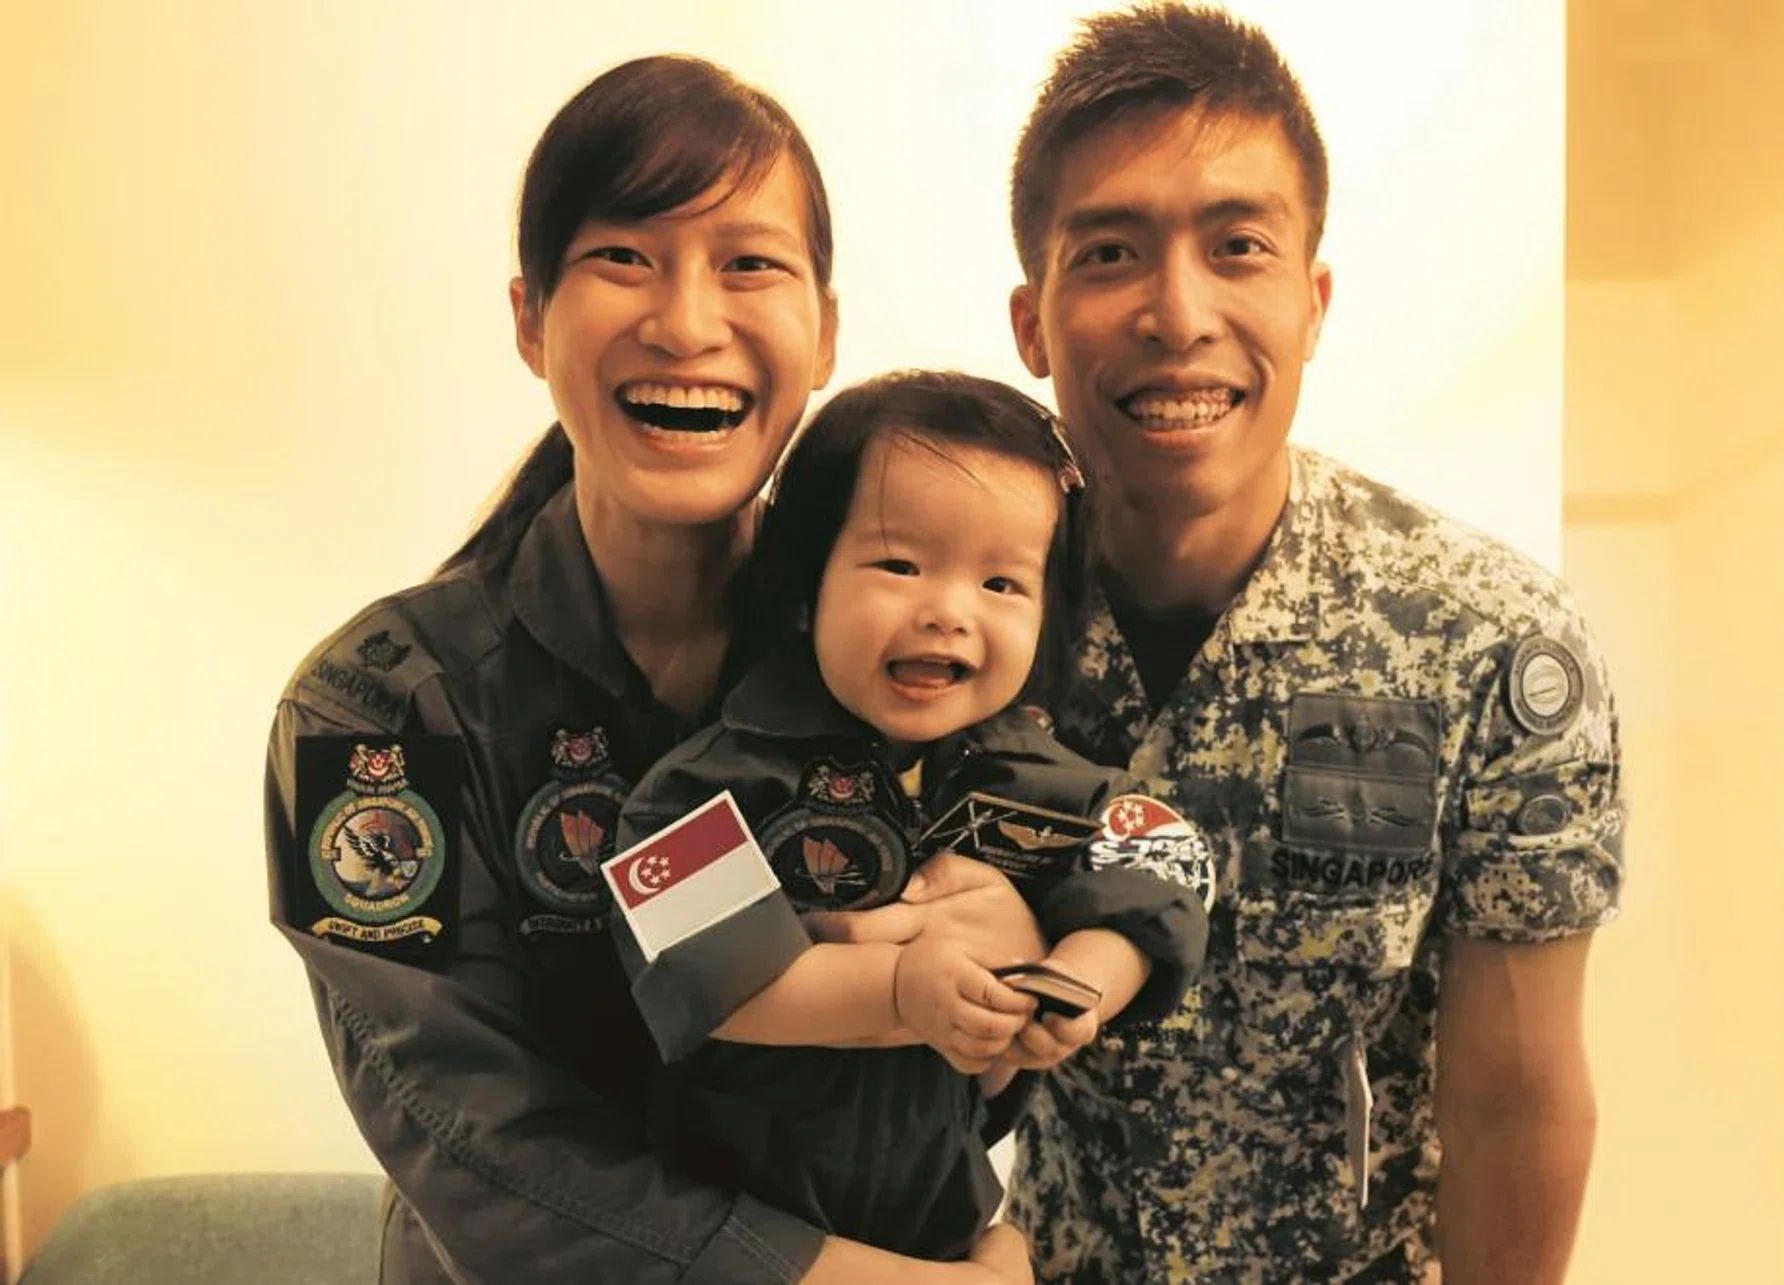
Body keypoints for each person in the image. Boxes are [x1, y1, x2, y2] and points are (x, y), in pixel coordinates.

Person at [264, 54, 1040, 1285]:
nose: (687, 323)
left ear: (826, 331)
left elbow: (960, 1082)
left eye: (750, 264)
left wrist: (1011, 976)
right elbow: (464, 1138)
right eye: (623, 256)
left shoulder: (917, 677)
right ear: (530, 318)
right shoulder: (368, 712)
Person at [995, 5, 1627, 1281]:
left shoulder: (1486, 644)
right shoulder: (961, 620)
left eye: (1239, 246)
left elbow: (1515, 1099)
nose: (1179, 314)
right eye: (1109, 253)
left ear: (1313, 299)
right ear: (1033, 322)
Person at [603, 370, 1214, 1261]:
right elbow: (709, 977)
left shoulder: (1037, 777)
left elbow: (1167, 854)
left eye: (1002, 582)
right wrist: (897, 991)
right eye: (900, 565)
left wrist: (1080, 978)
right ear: (804, 586)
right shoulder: (715, 780)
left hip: (939, 1240)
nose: (949, 612)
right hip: (735, 1237)